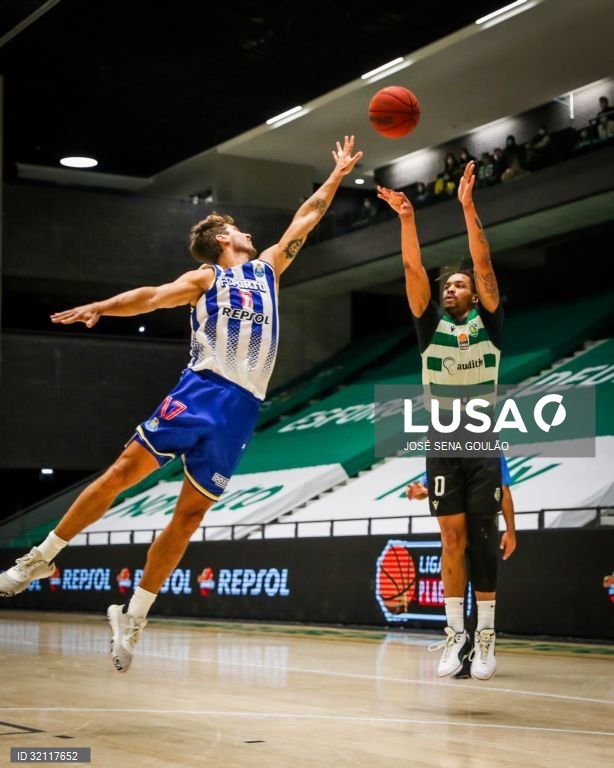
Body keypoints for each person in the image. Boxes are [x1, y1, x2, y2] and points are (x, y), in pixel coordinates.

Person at [0, 135, 363, 672]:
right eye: (236, 227)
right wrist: (101, 305)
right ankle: (41, 558)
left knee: (189, 516)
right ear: (222, 240)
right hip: (201, 391)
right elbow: (148, 296)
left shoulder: (267, 270)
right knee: (125, 469)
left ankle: (136, 614)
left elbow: (305, 218)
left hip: (242, 408)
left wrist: (334, 176)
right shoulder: (205, 278)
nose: (247, 231)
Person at [377, 160, 504, 681]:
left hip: (480, 436)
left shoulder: (489, 320)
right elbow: (412, 271)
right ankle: (455, 637)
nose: (449, 289)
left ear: (473, 294)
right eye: (446, 285)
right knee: (451, 538)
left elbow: (484, 261)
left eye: (458, 284)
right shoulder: (430, 329)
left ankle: (488, 636)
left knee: (482, 536)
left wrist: (468, 207)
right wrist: (407, 218)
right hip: (440, 438)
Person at [406, 454, 517, 561]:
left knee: (483, 572)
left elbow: (503, 489)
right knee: (454, 548)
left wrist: (510, 532)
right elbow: (426, 487)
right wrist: (417, 491)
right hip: (458, 527)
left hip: (482, 523)